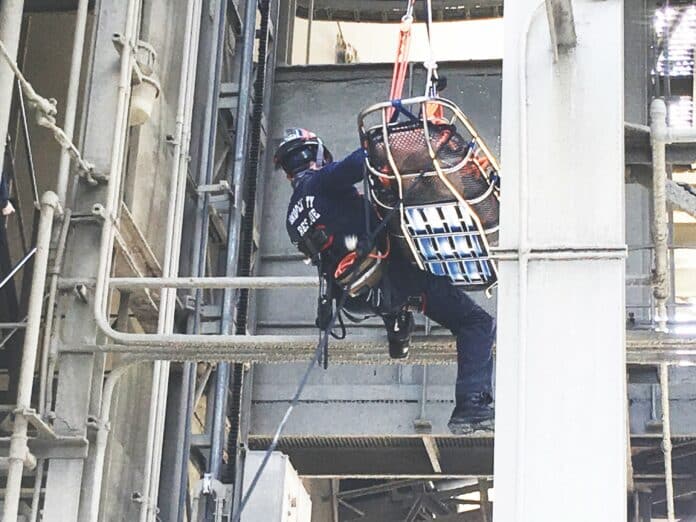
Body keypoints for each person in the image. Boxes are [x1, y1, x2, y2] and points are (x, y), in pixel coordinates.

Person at [275, 128, 495, 434]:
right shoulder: (322, 181)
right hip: (390, 276)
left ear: (287, 173)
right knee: (476, 322)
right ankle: (472, 405)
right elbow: (367, 159)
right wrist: (402, 138)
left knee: (394, 300)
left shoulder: (291, 218)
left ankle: (398, 328)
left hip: (352, 296)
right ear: (318, 155)